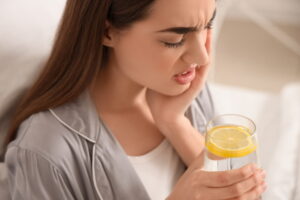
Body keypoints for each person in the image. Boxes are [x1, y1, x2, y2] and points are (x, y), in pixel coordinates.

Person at [4, 0, 266, 199]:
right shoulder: (45, 153)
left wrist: (174, 123)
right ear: (107, 32)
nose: (202, 58)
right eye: (175, 40)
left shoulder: (185, 88)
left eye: (207, 26)